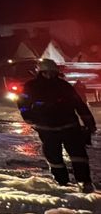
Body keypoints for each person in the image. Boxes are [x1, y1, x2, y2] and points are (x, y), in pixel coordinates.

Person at [18, 58, 97, 192]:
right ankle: (62, 183)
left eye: (52, 72)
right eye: (46, 72)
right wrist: (28, 117)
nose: (49, 75)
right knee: (54, 157)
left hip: (69, 127)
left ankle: (84, 182)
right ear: (40, 72)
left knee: (79, 156)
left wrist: (89, 122)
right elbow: (23, 104)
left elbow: (79, 104)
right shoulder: (31, 86)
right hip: (47, 129)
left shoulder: (64, 86)